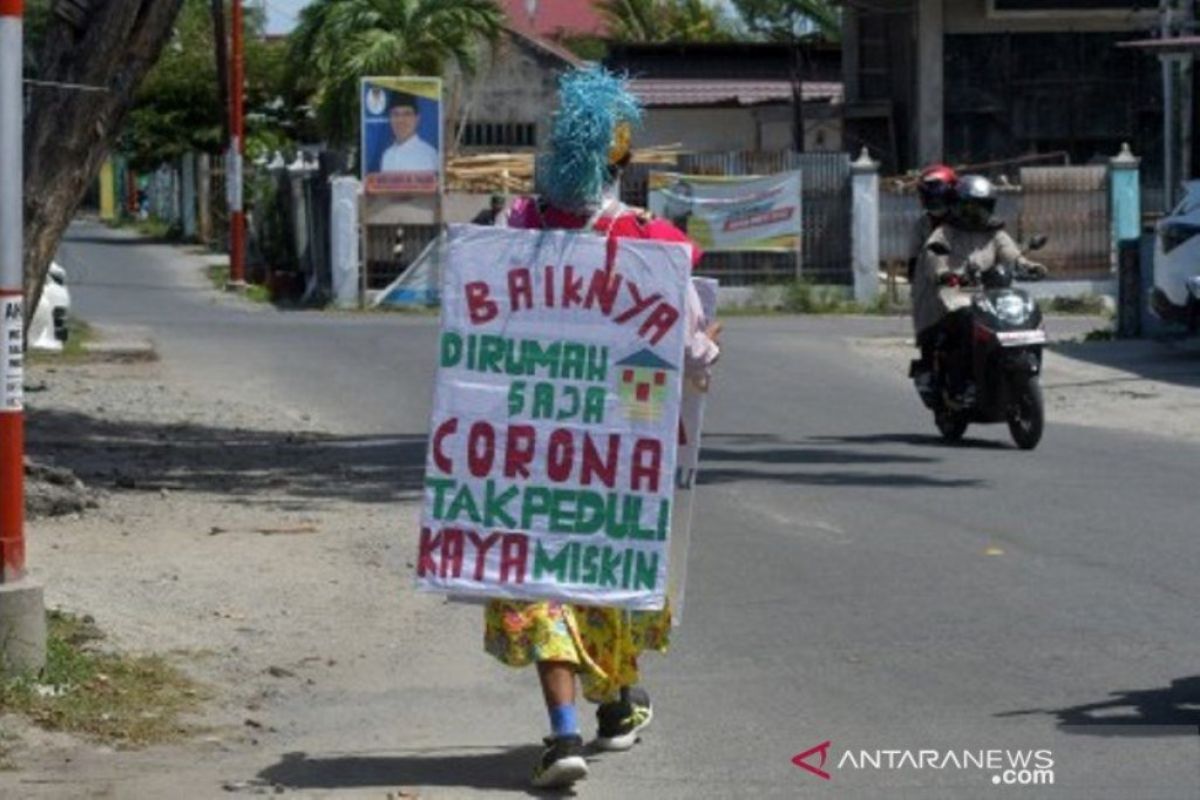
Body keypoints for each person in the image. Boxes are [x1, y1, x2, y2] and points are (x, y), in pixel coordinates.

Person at [487, 66, 721, 790]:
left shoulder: (509, 233)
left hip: (529, 448)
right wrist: (706, 348)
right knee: (608, 577)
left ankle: (572, 733)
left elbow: (472, 321)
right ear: (622, 161)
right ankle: (615, 706)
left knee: (542, 585)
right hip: (622, 455)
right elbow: (690, 354)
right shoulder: (651, 244)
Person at [912, 174, 1045, 405]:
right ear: (960, 206)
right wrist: (943, 272)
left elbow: (1010, 253)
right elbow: (933, 253)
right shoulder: (946, 231)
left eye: (983, 208)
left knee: (1019, 314)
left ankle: (1014, 367)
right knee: (966, 322)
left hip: (988, 291)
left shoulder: (994, 232)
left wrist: (1027, 265)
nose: (977, 214)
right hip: (956, 293)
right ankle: (962, 385)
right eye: (972, 208)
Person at [380, 94, 439, 173]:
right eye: (395, 114)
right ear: (390, 119)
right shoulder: (387, 155)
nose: (400, 120)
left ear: (417, 119)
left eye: (407, 114)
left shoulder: (428, 155)